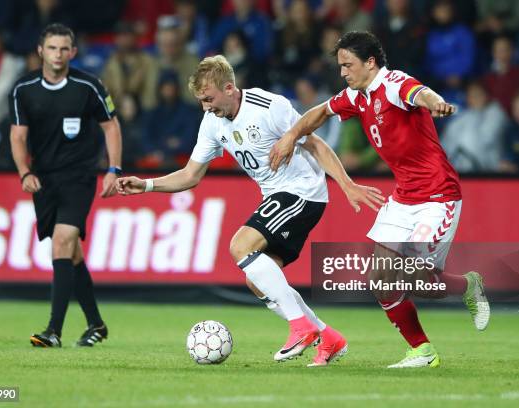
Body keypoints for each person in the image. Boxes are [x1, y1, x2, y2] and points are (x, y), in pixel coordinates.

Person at [116, 55, 385, 366]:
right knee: (257, 280)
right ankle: (328, 337)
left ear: (229, 88)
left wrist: (346, 184)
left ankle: (301, 327)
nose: (206, 107)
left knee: (240, 246)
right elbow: (190, 175)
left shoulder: (269, 106)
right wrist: (147, 185)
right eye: (201, 101)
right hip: (276, 194)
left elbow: (316, 145)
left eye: (209, 99)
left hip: (302, 190)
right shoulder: (212, 123)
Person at [269, 31, 491, 368]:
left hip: (437, 196)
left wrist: (436, 104)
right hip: (403, 199)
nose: (343, 72)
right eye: (340, 66)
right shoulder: (357, 97)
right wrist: (290, 135)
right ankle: (422, 351)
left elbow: (419, 93)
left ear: (370, 62)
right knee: (379, 278)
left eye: (348, 65)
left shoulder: (393, 83)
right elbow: (320, 112)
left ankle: (468, 286)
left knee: (416, 277)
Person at [8, 23, 123, 348]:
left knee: (61, 242)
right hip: (44, 179)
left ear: (72, 52)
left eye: (64, 49)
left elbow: (111, 126)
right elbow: (18, 135)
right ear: (40, 51)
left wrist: (113, 169)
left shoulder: (89, 86)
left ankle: (53, 332)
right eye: (52, 48)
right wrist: (23, 172)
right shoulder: (23, 88)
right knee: (71, 253)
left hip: (79, 176)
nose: (58, 54)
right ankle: (96, 325)